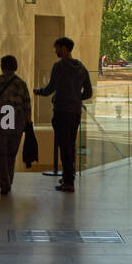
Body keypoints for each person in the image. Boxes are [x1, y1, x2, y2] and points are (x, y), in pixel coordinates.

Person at [34, 36, 92, 193]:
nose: (55, 51)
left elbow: (50, 88)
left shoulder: (59, 66)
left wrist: (38, 91)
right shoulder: (81, 67)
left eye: (57, 48)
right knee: (70, 144)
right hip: (75, 112)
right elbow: (88, 92)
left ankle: (68, 182)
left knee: (64, 146)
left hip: (61, 111)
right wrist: (75, 97)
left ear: (64, 48)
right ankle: (69, 175)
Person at [0, 55, 31, 195]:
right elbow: (27, 104)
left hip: (0, 118)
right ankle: (9, 180)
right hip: (16, 119)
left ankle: (4, 183)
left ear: (2, 65)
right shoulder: (21, 83)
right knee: (11, 153)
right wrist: (27, 123)